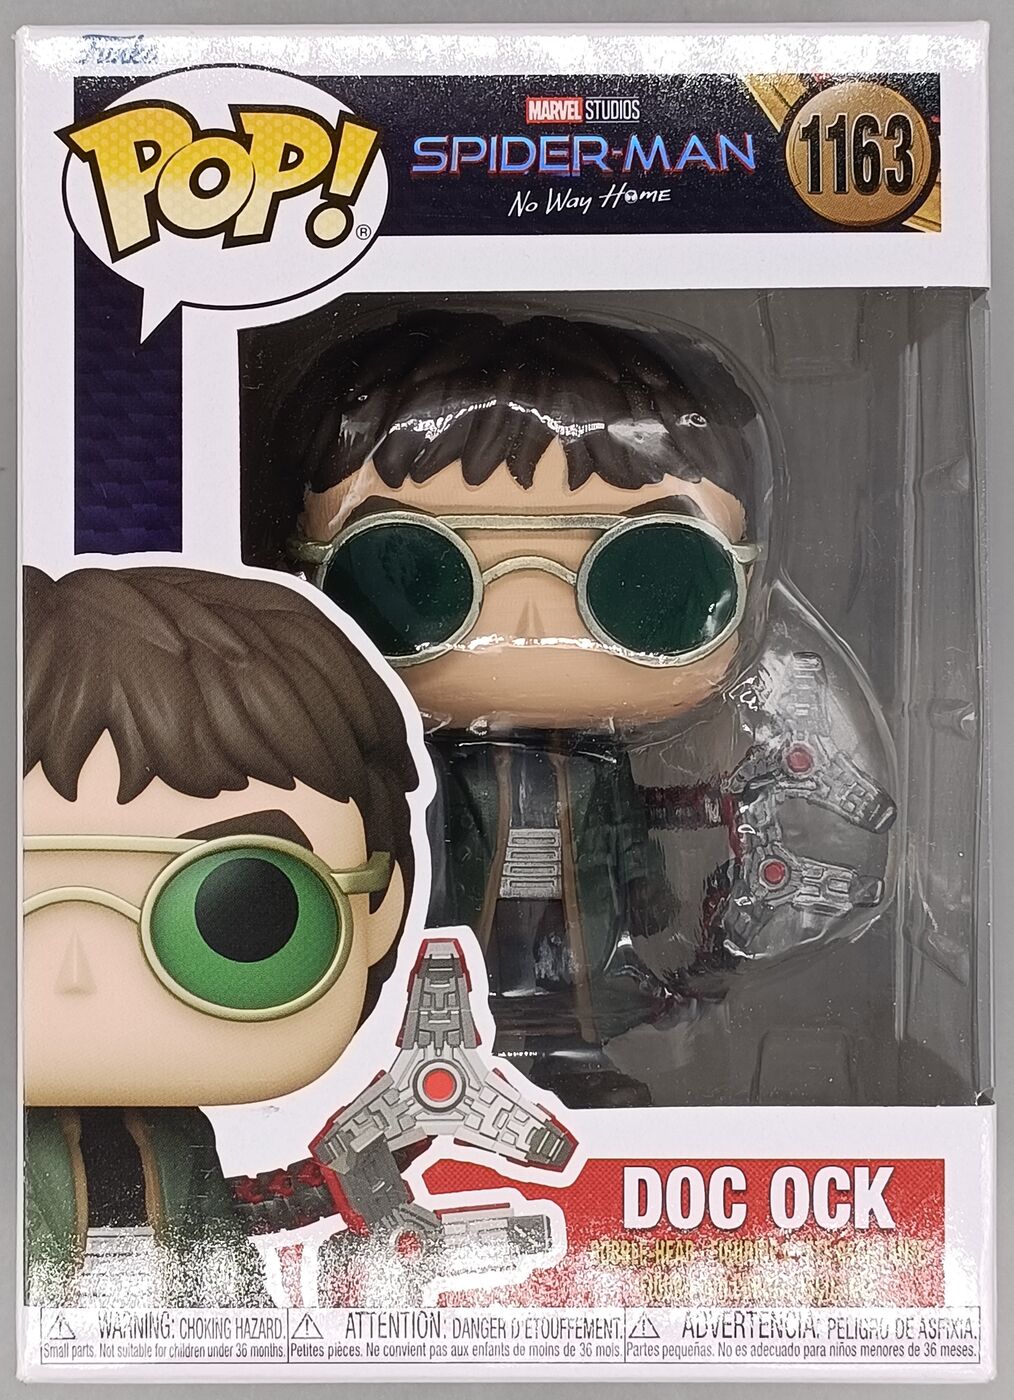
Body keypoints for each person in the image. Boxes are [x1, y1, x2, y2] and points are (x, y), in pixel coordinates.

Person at [280, 310, 892, 1108]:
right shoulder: (419, 774)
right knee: (456, 981)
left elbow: (625, 831)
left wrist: (646, 887)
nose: (531, 626)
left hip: (580, 934)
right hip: (448, 931)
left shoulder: (598, 767)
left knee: (577, 981)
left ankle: (570, 1066)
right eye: (418, 573)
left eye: (646, 578)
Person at [22, 565, 419, 1305]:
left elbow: (216, 1249)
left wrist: (244, 1326)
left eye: (237, 915)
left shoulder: (179, 1141)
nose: (76, 975)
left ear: (377, 911)